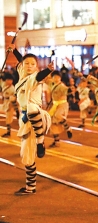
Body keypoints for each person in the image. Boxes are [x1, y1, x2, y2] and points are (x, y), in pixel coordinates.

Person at [8, 44, 54, 195]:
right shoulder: (22, 74)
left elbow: (40, 76)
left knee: (32, 109)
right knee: (26, 154)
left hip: (37, 117)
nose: (29, 66)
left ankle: (41, 142)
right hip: (25, 119)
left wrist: (48, 70)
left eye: (33, 64)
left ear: (37, 66)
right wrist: (14, 49)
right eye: (27, 63)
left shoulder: (35, 76)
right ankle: (30, 186)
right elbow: (23, 60)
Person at [48, 70, 73, 148]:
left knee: (58, 115)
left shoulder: (61, 85)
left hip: (62, 104)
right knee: (53, 123)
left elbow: (66, 90)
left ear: (60, 78)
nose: (56, 78)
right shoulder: (51, 84)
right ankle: (56, 141)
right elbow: (45, 80)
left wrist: (71, 89)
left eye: (58, 77)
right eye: (54, 77)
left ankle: (67, 128)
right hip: (54, 104)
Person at [0, 72, 18, 137]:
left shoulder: (12, 88)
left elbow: (15, 98)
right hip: (6, 103)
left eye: (10, 80)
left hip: (11, 104)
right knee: (8, 118)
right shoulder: (4, 85)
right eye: (7, 80)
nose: (8, 81)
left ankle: (8, 132)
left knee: (8, 118)